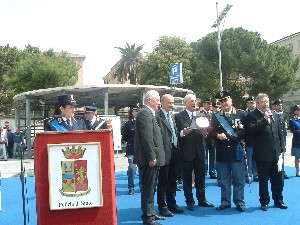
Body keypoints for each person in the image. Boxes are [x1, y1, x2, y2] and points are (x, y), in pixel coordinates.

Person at [243, 93, 288, 211]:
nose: (265, 104)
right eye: (262, 102)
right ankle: (264, 201)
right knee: (263, 180)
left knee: (278, 179)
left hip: (276, 152)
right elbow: (252, 131)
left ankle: (278, 200)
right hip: (262, 153)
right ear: (257, 103)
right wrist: (264, 120)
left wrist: (282, 148)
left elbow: (279, 132)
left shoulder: (273, 114)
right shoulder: (251, 116)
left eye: (267, 101)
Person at [174, 93, 214, 211]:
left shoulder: (201, 115)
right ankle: (189, 200)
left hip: (200, 151)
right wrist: (183, 133)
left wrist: (205, 133)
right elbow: (175, 133)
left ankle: (202, 199)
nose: (194, 103)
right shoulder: (178, 116)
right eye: (191, 101)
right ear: (185, 103)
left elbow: (208, 133)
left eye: (195, 101)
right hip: (186, 152)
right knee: (187, 178)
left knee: (201, 177)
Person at [210, 91, 247, 212]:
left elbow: (246, 130)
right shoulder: (216, 116)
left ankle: (239, 201)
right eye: (221, 101)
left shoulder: (241, 114)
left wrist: (235, 135)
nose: (224, 103)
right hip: (222, 152)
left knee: (239, 179)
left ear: (231, 100)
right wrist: (217, 135)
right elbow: (211, 131)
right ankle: (225, 201)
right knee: (224, 180)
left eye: (226, 100)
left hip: (237, 151)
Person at [133, 90, 165, 225]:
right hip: (148, 159)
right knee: (148, 187)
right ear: (149, 100)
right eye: (157, 100)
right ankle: (148, 217)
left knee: (152, 187)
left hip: (152, 158)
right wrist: (152, 156)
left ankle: (151, 212)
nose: (159, 103)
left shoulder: (150, 113)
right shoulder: (144, 113)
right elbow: (147, 137)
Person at [156, 94, 184, 217]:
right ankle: (162, 206)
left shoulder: (171, 116)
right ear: (162, 103)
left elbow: (172, 133)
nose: (171, 105)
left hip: (174, 151)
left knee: (173, 179)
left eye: (172, 103)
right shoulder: (157, 117)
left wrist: (182, 133)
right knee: (163, 181)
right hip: (164, 153)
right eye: (169, 103)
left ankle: (172, 203)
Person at [121, 106, 139, 195]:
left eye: (138, 110)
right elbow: (124, 136)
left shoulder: (144, 122)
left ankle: (143, 185)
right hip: (132, 149)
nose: (137, 112)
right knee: (132, 169)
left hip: (142, 150)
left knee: (143, 170)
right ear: (132, 112)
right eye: (135, 111)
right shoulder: (128, 124)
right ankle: (131, 187)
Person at [200, 98, 217, 179]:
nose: (209, 105)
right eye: (207, 103)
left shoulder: (213, 114)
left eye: (210, 103)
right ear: (203, 104)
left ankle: (212, 171)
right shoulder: (200, 114)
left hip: (212, 137)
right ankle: (204, 171)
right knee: (204, 155)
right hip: (203, 137)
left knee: (213, 155)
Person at [272, 99, 289, 179]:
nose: (280, 106)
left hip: (282, 137)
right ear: (274, 106)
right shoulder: (272, 114)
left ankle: (282, 170)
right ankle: (274, 170)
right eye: (278, 105)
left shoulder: (283, 114)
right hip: (274, 138)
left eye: (281, 105)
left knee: (282, 154)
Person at [244, 96, 258, 183]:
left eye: (252, 102)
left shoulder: (258, 113)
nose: (251, 104)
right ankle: (248, 175)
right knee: (249, 158)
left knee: (256, 158)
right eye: (249, 103)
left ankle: (256, 174)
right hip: (248, 139)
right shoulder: (244, 113)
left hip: (257, 140)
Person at [288, 105, 300, 177]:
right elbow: (294, 131)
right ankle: (297, 170)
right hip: (297, 141)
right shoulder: (292, 120)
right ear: (295, 111)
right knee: (297, 157)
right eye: (298, 110)